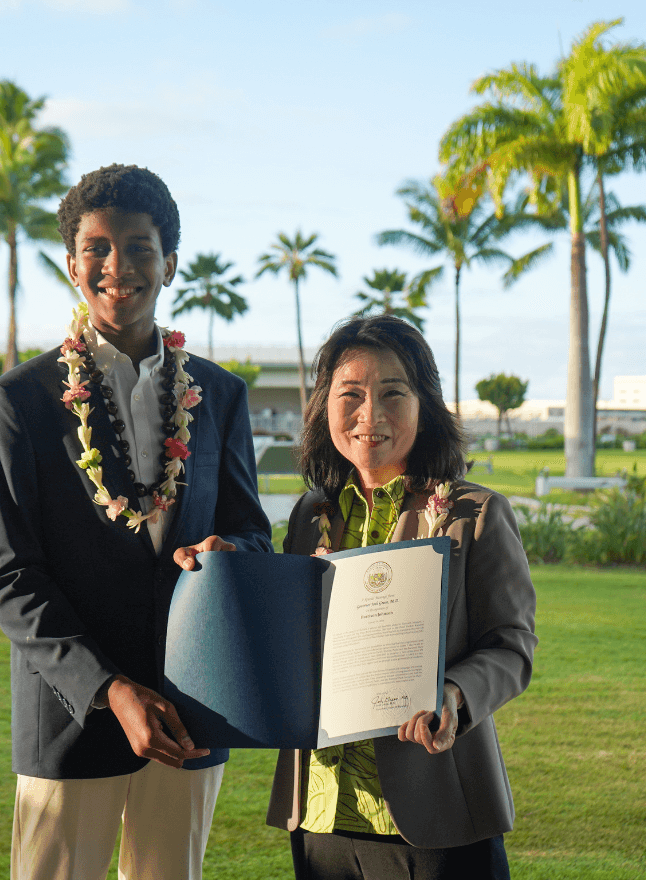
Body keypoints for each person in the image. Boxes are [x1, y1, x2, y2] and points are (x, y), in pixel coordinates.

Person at [0, 163, 271, 880]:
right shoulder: (20, 399)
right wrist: (108, 689)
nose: (119, 266)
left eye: (140, 247)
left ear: (169, 263)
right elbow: (10, 576)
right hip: (70, 715)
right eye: (99, 248)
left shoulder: (222, 395)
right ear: (72, 265)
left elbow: (254, 534)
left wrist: (228, 550)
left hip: (193, 707)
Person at [266, 315, 537, 880]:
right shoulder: (308, 515)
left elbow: (512, 647)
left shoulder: (473, 513)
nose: (372, 415)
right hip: (322, 811)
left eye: (394, 393)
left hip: (431, 808)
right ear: (325, 406)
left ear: (425, 405)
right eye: (352, 394)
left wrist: (455, 696)